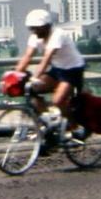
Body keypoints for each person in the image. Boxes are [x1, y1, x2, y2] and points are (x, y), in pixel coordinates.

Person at [13, 8, 86, 139]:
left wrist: (34, 77)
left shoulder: (58, 35)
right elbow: (27, 56)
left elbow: (46, 59)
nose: (34, 31)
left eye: (37, 28)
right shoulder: (35, 37)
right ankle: (48, 123)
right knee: (32, 91)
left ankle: (75, 128)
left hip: (72, 70)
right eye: (32, 28)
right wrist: (14, 76)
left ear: (47, 26)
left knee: (58, 100)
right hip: (57, 69)